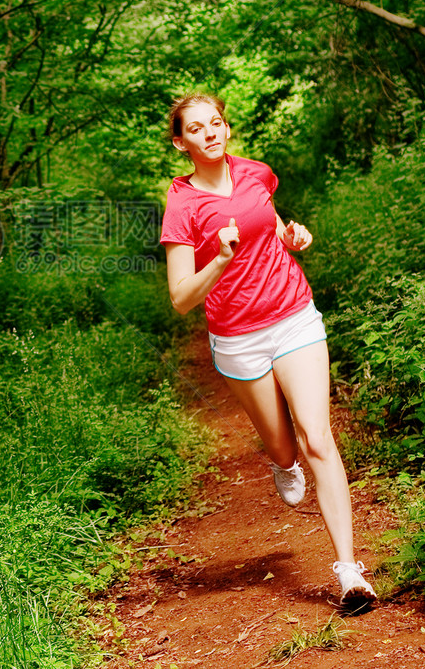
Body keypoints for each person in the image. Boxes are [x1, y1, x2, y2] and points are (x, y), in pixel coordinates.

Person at [160, 91, 376, 607]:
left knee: (317, 436)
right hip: (238, 340)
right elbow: (180, 299)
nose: (211, 132)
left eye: (217, 123)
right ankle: (282, 462)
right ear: (180, 142)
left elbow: (272, 228)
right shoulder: (182, 204)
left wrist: (292, 237)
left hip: (293, 316)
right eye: (196, 128)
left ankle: (350, 572)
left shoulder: (257, 173)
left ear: (226, 128)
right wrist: (219, 259)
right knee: (285, 446)